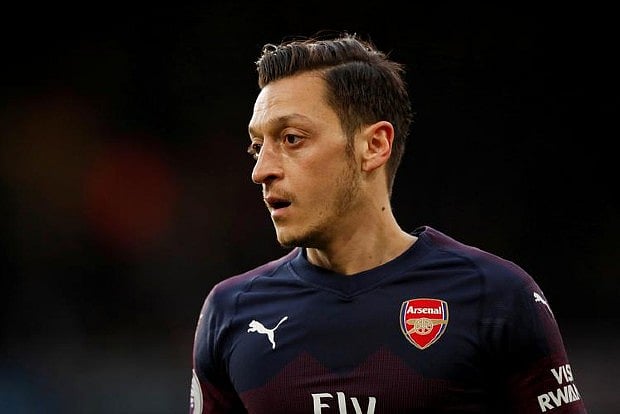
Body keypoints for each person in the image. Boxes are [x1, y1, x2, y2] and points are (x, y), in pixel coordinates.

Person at [189, 32, 588, 413]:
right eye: (257, 146)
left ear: (374, 145)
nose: (261, 170)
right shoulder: (231, 311)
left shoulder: (495, 296)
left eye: (292, 139)